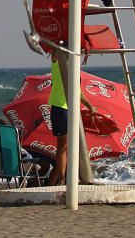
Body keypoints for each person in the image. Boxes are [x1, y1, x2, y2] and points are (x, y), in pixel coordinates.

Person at [46, 51, 94, 186]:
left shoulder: (75, 71)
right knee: (63, 145)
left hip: (73, 109)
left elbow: (79, 92)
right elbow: (54, 53)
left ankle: (74, 175)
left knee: (76, 144)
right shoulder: (58, 64)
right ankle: (62, 179)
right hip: (60, 107)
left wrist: (91, 107)